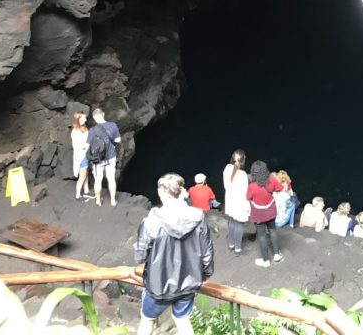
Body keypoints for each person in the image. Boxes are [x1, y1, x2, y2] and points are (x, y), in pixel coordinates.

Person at [133, 173, 214, 335]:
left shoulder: (151, 222)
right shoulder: (198, 217)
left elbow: (140, 255)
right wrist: (205, 273)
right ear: (181, 191)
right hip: (188, 282)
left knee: (147, 319)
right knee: (183, 320)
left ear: (161, 193)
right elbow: (207, 251)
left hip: (158, 284)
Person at [246, 160, 284, 267]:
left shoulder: (252, 186)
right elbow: (280, 188)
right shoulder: (271, 180)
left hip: (259, 214)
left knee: (262, 236)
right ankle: (277, 255)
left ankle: (265, 260)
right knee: (273, 231)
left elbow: (248, 197)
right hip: (271, 211)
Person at [87, 108, 121, 207]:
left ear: (94, 118)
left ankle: (98, 201)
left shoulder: (92, 130)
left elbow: (88, 145)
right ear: (103, 114)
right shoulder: (113, 125)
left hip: (98, 159)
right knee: (111, 179)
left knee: (98, 180)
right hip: (111, 157)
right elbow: (118, 140)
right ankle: (113, 201)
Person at [222, 150, 249, 255]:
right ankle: (238, 248)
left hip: (230, 199)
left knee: (232, 220)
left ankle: (231, 244)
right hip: (240, 202)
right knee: (239, 224)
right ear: (243, 161)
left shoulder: (227, 168)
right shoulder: (242, 175)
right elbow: (245, 192)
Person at [70, 111, 90, 201]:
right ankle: (77, 195)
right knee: (82, 176)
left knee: (86, 173)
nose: (85, 119)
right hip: (81, 156)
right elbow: (83, 145)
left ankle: (86, 191)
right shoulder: (75, 132)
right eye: (84, 118)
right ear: (78, 119)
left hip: (85, 154)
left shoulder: (84, 128)